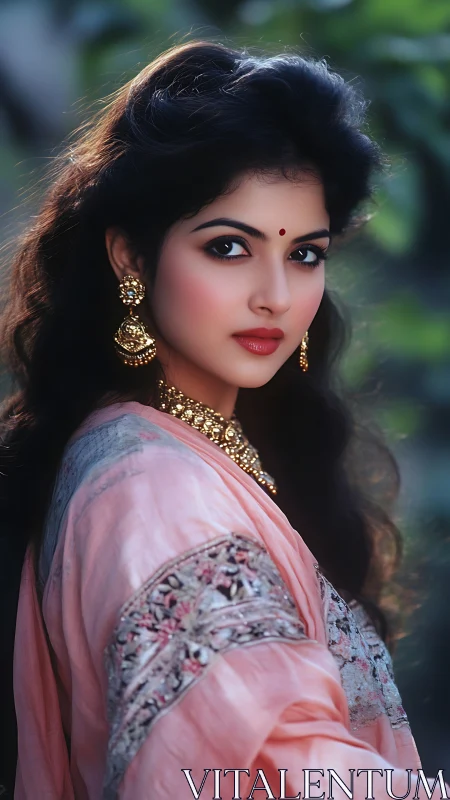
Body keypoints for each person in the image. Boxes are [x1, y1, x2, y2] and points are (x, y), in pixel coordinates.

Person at [0, 38, 443, 800]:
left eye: (305, 253)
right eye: (229, 247)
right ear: (131, 258)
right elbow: (258, 774)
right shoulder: (153, 490)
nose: (276, 295)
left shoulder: (182, 453)